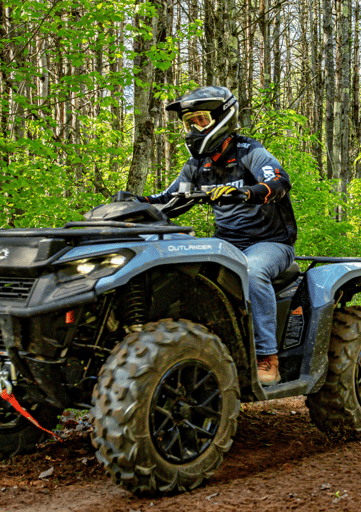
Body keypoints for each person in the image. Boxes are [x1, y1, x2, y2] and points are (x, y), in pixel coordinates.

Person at [133, 85, 297, 387]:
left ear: (223, 118)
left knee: (252, 270)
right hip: (227, 242)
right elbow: (170, 200)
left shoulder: (250, 152)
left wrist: (246, 192)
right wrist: (135, 202)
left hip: (271, 243)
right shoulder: (197, 165)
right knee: (180, 261)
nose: (195, 127)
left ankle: (267, 358)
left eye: (201, 120)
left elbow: (278, 181)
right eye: (189, 122)